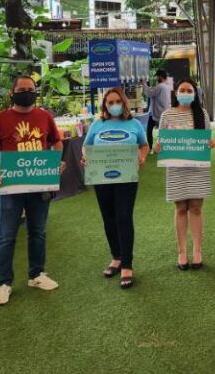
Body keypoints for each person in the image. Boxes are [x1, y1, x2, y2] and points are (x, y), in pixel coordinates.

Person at [0, 76, 64, 306]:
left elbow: (57, 142)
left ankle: (37, 274)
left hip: (39, 185)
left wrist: (55, 162)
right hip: (12, 186)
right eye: (22, 89)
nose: (26, 92)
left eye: (30, 89)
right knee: (7, 236)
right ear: (12, 93)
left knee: (38, 232)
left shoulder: (45, 117)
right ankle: (4, 283)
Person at [82, 88, 149, 289]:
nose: (114, 105)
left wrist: (142, 157)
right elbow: (86, 146)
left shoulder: (134, 124)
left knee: (124, 217)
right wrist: (85, 157)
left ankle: (127, 264)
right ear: (104, 105)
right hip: (101, 178)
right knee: (108, 217)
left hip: (127, 178)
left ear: (124, 102)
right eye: (109, 102)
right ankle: (116, 257)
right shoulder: (97, 124)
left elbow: (144, 145)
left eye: (117, 101)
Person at [155, 79, 215, 270]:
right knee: (180, 208)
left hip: (198, 168)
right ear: (176, 93)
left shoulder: (202, 113)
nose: (186, 93)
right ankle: (182, 252)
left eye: (189, 90)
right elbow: (161, 141)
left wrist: (210, 143)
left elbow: (207, 138)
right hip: (176, 169)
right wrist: (158, 147)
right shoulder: (167, 115)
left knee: (196, 208)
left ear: (195, 94)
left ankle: (197, 251)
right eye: (182, 90)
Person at [142, 69, 172, 154]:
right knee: (162, 132)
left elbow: (150, 93)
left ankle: (151, 148)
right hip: (163, 112)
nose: (156, 78)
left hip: (157, 113)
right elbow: (152, 91)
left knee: (149, 130)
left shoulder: (161, 86)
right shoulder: (166, 86)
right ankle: (162, 148)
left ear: (160, 76)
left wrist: (144, 84)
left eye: (157, 76)